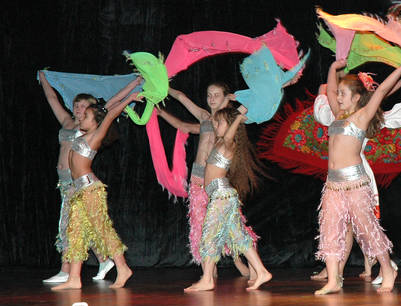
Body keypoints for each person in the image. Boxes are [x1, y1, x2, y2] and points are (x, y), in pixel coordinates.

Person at [314, 58, 401, 295]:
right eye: (338, 93)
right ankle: (333, 280)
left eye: (343, 94)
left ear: (356, 97)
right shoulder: (338, 114)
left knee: (367, 230)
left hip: (355, 183)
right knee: (330, 230)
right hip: (333, 184)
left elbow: (381, 91)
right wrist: (332, 68)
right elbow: (329, 90)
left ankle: (388, 270)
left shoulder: (361, 117)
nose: (338, 97)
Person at [38, 71, 140, 284]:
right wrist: (44, 78)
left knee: (101, 228)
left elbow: (110, 113)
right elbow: (54, 100)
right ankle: (74, 278)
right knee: (75, 230)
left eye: (85, 113)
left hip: (88, 188)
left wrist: (130, 96)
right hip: (75, 188)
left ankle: (122, 268)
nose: (80, 114)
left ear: (94, 120)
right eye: (78, 110)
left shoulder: (95, 135)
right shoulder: (77, 130)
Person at [158, 84, 251, 279]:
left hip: (216, 180)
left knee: (230, 223)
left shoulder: (228, 121)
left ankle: (239, 261)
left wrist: (280, 85)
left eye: (217, 95)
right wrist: (160, 90)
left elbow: (252, 105)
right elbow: (181, 100)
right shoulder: (204, 117)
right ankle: (209, 271)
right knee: (200, 225)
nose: (212, 99)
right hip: (198, 180)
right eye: (209, 95)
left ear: (226, 97)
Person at [184, 106, 272, 292]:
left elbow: (229, 134)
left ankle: (207, 279)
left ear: (230, 125)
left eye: (219, 123)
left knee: (209, 236)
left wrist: (238, 117)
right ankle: (262, 271)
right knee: (239, 238)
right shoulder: (219, 143)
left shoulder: (228, 144)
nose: (215, 125)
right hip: (222, 196)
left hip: (221, 197)